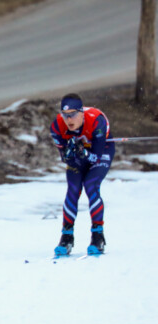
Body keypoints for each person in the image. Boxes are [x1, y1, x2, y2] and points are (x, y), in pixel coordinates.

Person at [49, 93, 114, 256]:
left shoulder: (97, 120)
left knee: (91, 185)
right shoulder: (57, 126)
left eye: (72, 115)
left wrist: (83, 152)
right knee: (73, 189)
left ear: (81, 113)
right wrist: (70, 155)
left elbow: (96, 157)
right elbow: (65, 158)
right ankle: (66, 237)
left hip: (101, 150)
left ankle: (97, 235)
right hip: (81, 154)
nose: (68, 119)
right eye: (65, 115)